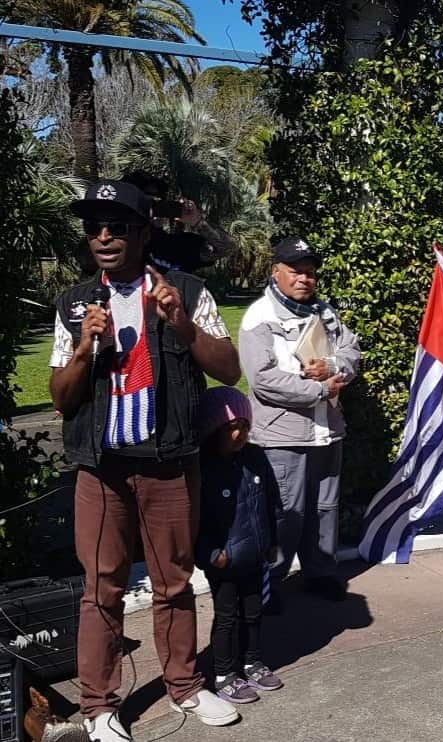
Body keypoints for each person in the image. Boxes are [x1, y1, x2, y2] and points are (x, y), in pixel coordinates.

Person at [49, 180, 243, 739]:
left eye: (117, 227)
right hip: (103, 467)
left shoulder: (184, 289)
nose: (104, 238)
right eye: (94, 229)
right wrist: (85, 348)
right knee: (102, 587)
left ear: (143, 232)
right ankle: (99, 706)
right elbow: (62, 396)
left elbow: (228, 369)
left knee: (174, 582)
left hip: (170, 460)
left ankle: (184, 686)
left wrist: (180, 321)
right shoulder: (75, 304)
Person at [238, 237, 361, 605]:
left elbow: (351, 351)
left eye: (310, 272)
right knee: (283, 513)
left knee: (325, 508)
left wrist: (334, 367)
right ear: (276, 270)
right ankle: (268, 585)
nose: (304, 279)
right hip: (282, 434)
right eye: (296, 271)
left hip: (327, 431)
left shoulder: (326, 313)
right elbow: (263, 380)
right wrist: (321, 390)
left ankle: (321, 573)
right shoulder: (260, 317)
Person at [194, 386, 285, 705]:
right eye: (233, 428)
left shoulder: (255, 458)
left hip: (255, 555)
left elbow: (272, 502)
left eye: (245, 426)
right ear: (214, 430)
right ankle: (224, 673)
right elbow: (194, 521)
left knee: (254, 612)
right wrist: (211, 554)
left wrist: (273, 541)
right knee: (227, 616)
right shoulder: (204, 469)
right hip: (225, 560)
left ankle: (252, 661)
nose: (241, 434)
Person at [120, 171, 239, 273]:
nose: (153, 209)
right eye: (145, 203)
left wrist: (198, 222)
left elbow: (228, 247)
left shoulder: (179, 246)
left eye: (157, 202)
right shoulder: (114, 243)